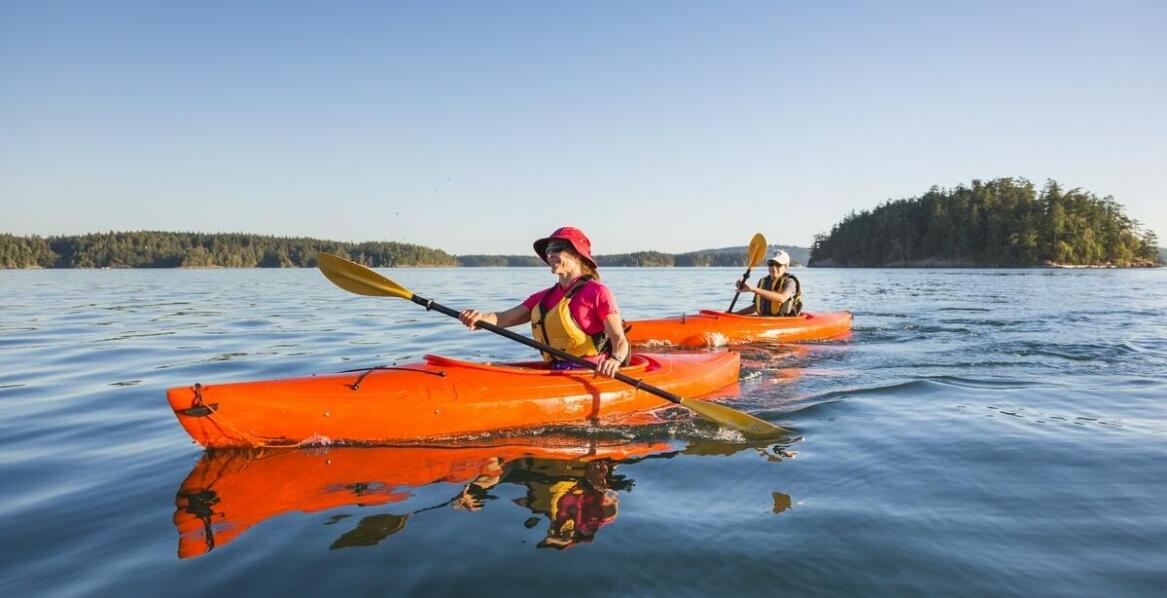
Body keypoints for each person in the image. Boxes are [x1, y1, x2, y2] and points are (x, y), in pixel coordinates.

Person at [458, 227, 630, 377]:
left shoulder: (598, 292)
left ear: (577, 255)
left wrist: (615, 360)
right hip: (555, 370)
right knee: (489, 366)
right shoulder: (542, 298)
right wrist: (479, 319)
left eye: (557, 248)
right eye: (548, 250)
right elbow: (504, 318)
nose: (550, 254)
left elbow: (619, 339)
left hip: (590, 372)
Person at [733, 249, 802, 317]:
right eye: (771, 264)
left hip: (783, 320)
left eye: (778, 265)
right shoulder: (763, 281)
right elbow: (756, 307)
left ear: (786, 267)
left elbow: (782, 298)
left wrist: (753, 289)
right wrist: (734, 314)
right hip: (764, 319)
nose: (773, 267)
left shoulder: (789, 282)